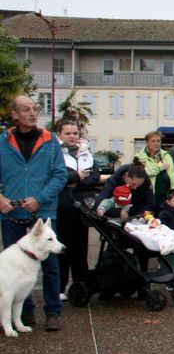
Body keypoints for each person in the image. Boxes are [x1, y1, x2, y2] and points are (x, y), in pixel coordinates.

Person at [0, 95, 67, 331]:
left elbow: (60, 175)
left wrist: (39, 199)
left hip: (44, 213)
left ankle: (52, 312)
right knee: (13, 268)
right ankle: (23, 314)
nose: (32, 113)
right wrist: (0, 199)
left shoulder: (50, 142)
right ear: (15, 114)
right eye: (26, 109)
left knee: (50, 266)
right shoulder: (3, 141)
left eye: (35, 108)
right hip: (11, 215)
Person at [56, 119, 99, 301]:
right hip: (62, 207)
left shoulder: (86, 153)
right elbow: (56, 177)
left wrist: (77, 180)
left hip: (82, 208)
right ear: (60, 135)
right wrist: (76, 176)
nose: (72, 136)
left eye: (75, 133)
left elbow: (95, 176)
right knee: (61, 250)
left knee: (80, 250)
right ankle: (59, 287)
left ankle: (80, 285)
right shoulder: (54, 153)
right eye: (68, 133)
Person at [135, 130, 174, 208]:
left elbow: (172, 175)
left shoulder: (166, 155)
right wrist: (160, 167)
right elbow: (144, 172)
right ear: (147, 142)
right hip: (146, 197)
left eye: (158, 141)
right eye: (153, 141)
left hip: (165, 196)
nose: (156, 143)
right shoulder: (139, 157)